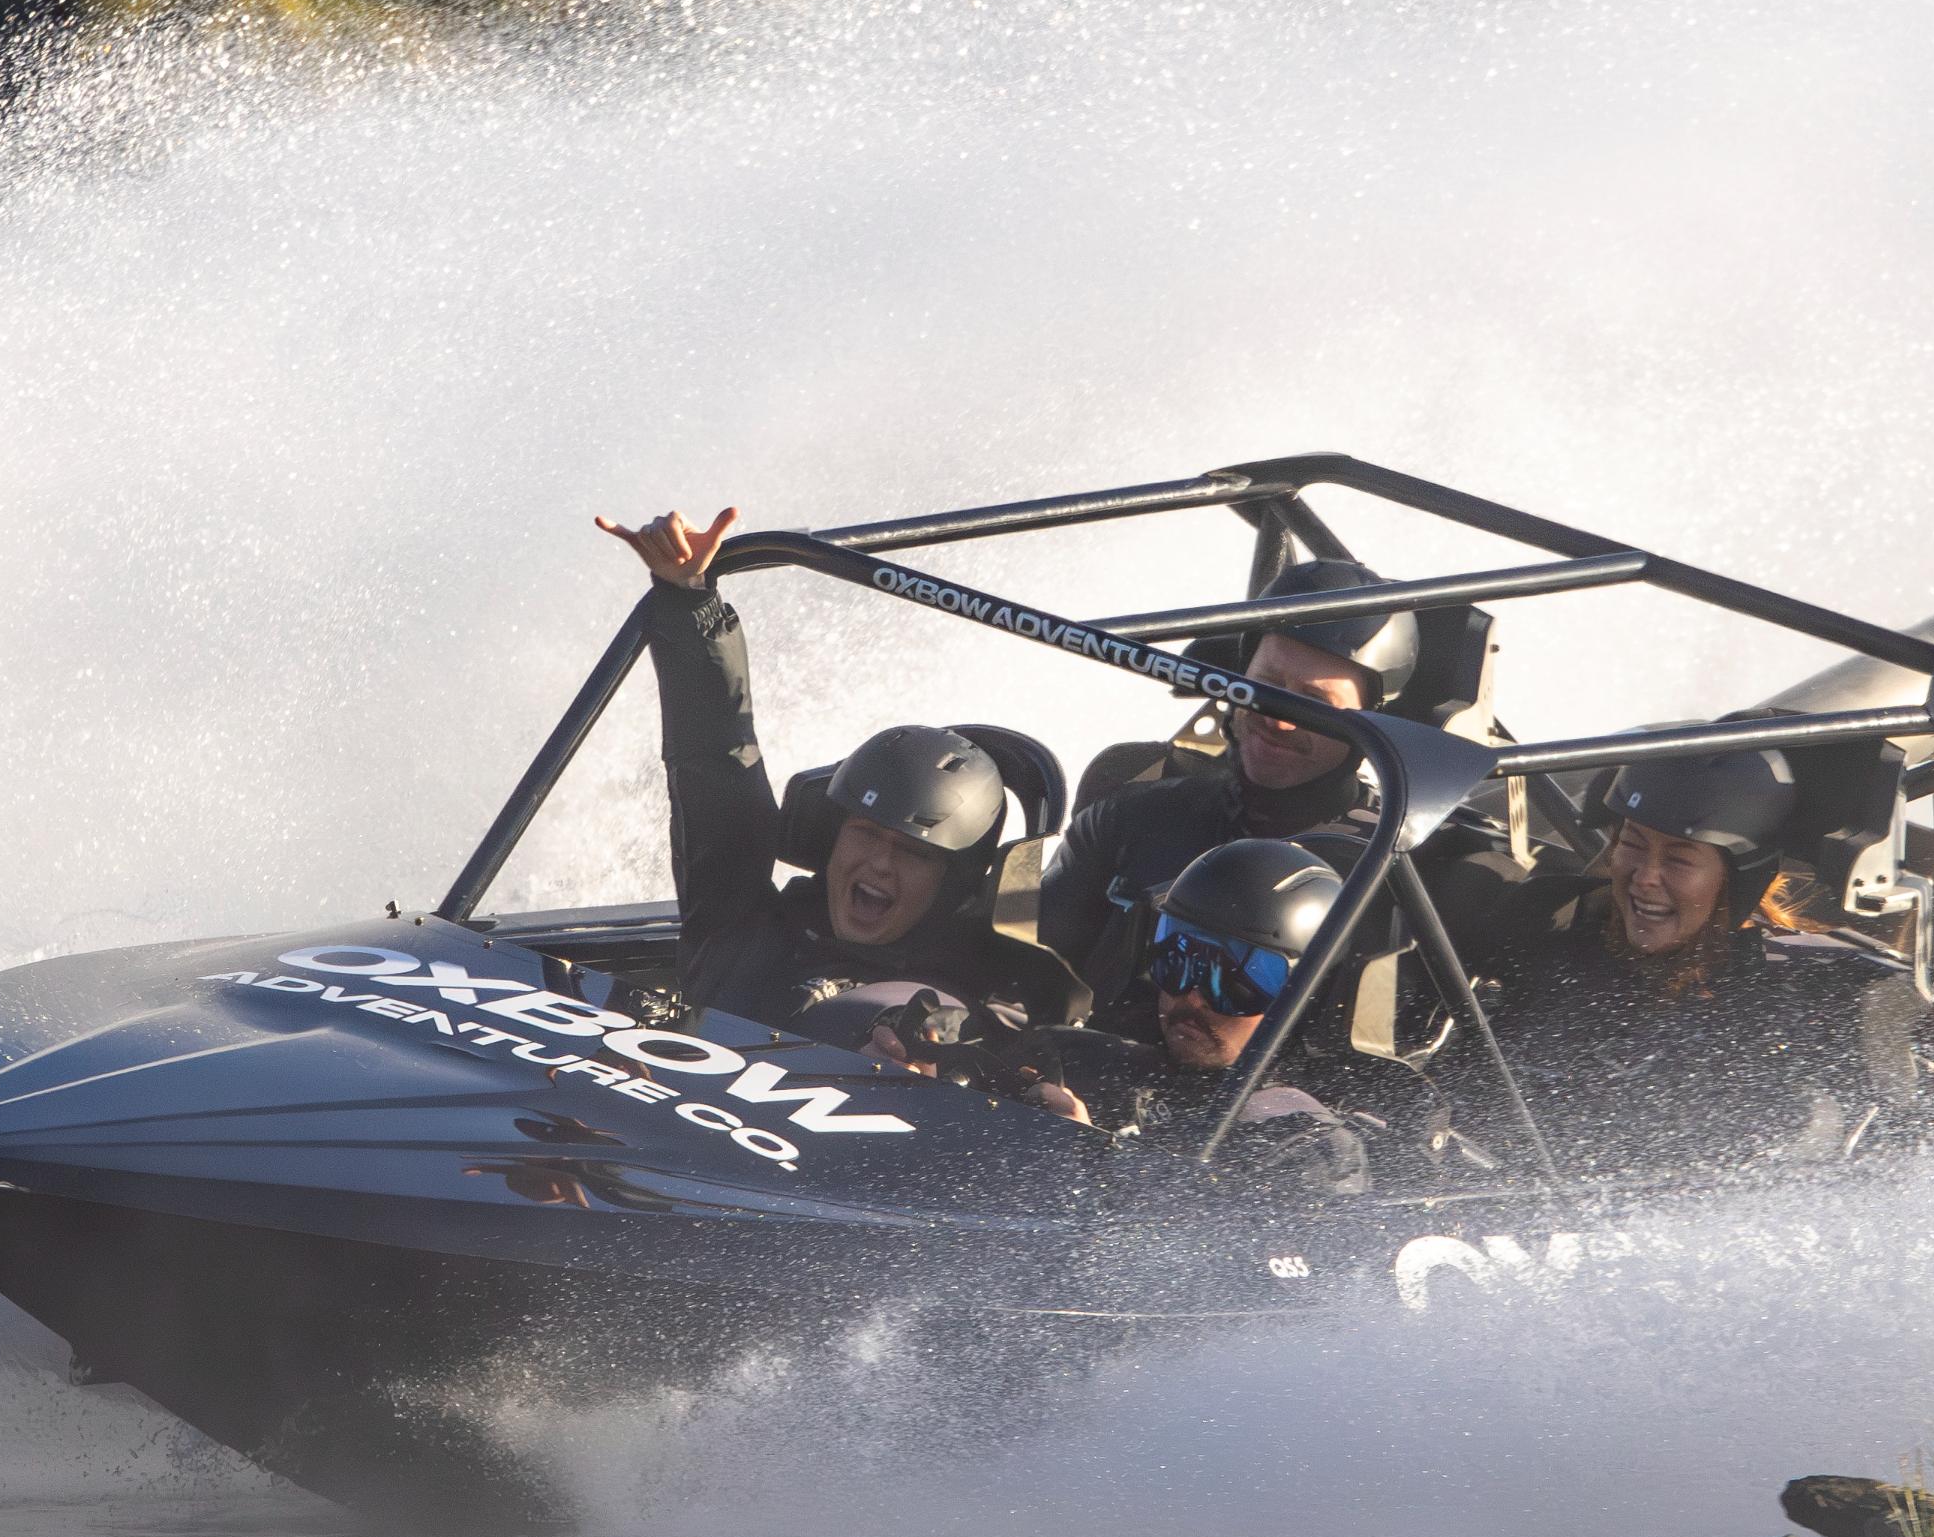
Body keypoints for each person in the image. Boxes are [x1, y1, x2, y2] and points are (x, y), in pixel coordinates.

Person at [607, 504, 1084, 1046]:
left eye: (912, 851)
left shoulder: (983, 1003)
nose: (879, 863)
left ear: (955, 880)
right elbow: (715, 764)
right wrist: (690, 597)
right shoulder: (738, 922)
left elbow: (1009, 1066)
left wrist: (938, 1061)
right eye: (865, 832)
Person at [1036, 554, 1551, 996]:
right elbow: (1026, 982)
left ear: (1373, 721)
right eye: (1267, 686)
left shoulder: (1418, 880)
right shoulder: (1132, 814)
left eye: (1313, 703)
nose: (1278, 718)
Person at [1482, 741, 1934, 1163]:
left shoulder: (1816, 992)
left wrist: (1900, 1043)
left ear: (1736, 880)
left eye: (1678, 858)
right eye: (1632, 844)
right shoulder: (1541, 934)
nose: (1646, 876)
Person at [969, 837, 1464, 1193]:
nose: (1192, 998)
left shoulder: (1308, 1136)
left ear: (1306, 993)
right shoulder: (1085, 1057)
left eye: (1234, 978)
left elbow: (1225, 1272)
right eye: (1175, 958)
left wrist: (1089, 1156)